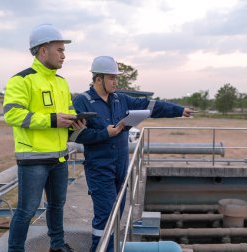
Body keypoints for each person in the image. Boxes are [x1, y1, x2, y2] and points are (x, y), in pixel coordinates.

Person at [71, 56, 194, 251]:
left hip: (121, 165)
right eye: (111, 78)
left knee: (118, 211)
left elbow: (150, 106)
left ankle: (112, 246)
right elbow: (75, 135)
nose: (115, 82)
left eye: (116, 78)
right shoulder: (82, 101)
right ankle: (100, 248)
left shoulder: (120, 99)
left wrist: (179, 110)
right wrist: (105, 133)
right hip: (99, 167)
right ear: (98, 79)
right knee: (106, 214)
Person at [3, 24, 77, 252]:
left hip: (59, 157)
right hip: (33, 158)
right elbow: (12, 113)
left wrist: (76, 122)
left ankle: (57, 246)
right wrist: (52, 120)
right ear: (43, 51)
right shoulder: (22, 80)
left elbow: (69, 111)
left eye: (64, 51)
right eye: (60, 50)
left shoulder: (61, 82)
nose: (64, 55)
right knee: (27, 210)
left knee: (56, 206)